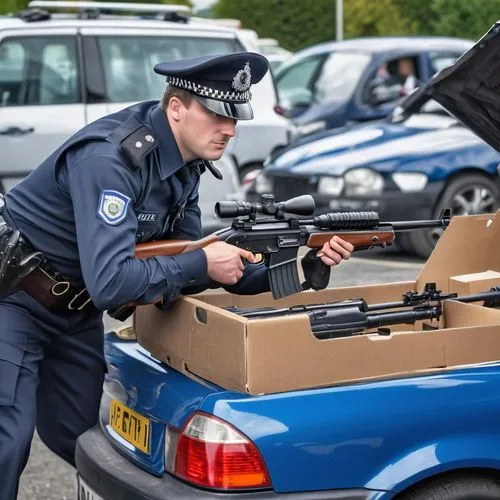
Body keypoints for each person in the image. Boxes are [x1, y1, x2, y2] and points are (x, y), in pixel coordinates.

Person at [0, 52, 354, 499]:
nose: (230, 129)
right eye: (217, 115)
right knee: (6, 441)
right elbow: (113, 285)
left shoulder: (186, 165)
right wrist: (201, 263)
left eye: (235, 117)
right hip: (15, 299)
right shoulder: (110, 160)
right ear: (176, 109)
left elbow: (192, 268)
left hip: (74, 311)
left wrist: (306, 266)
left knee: (90, 437)